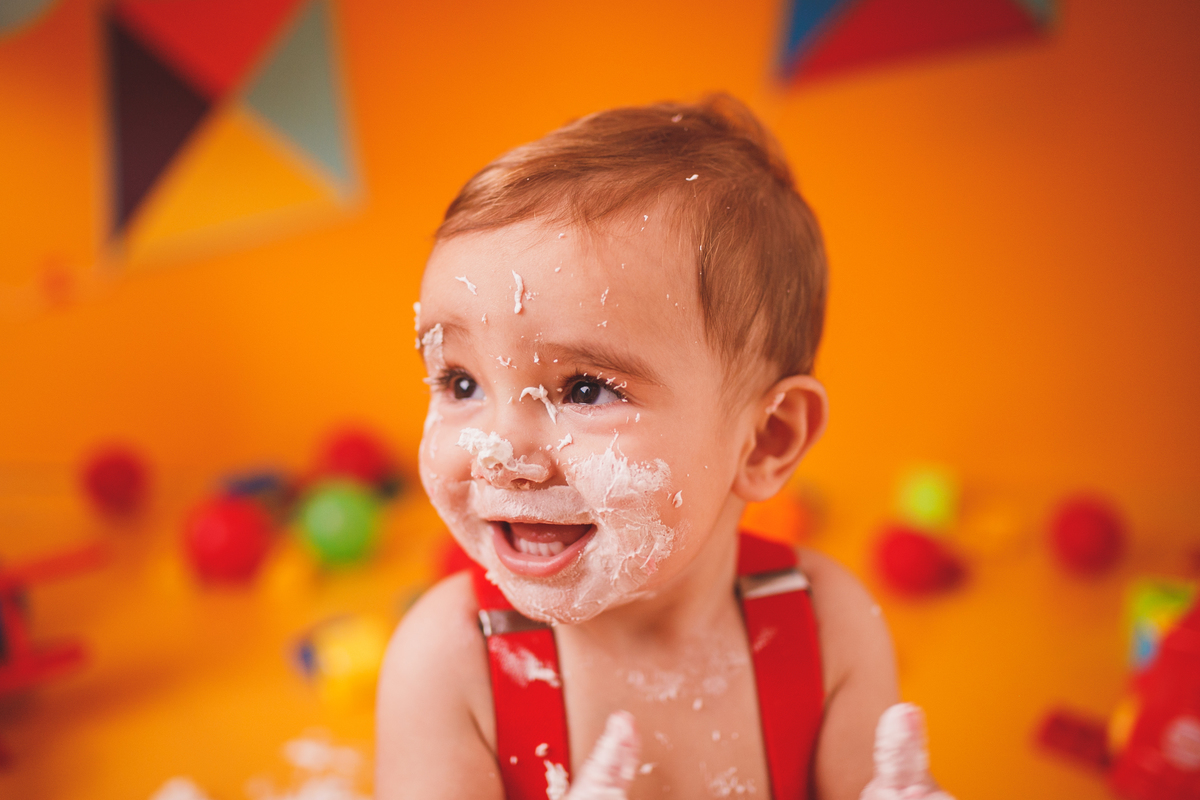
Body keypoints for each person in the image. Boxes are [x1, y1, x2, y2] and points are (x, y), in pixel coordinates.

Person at [377, 95, 951, 800]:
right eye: (461, 381)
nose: (499, 450)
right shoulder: (449, 665)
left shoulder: (825, 628)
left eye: (584, 389)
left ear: (766, 439)